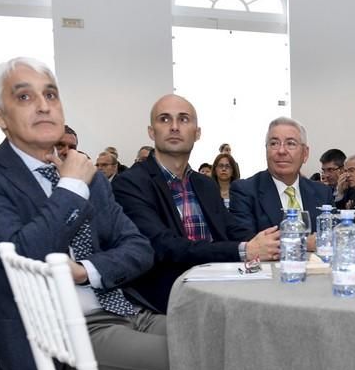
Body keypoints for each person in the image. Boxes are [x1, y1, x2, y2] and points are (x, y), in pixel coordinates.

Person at [0, 57, 173, 370]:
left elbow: (139, 248)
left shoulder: (90, 176)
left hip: (127, 310)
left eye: (51, 95)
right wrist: (70, 185)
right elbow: (23, 254)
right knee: (203, 358)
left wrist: (85, 270)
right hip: (57, 338)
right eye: (24, 97)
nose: (43, 106)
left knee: (227, 341)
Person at [112, 94, 275, 314]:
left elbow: (232, 228)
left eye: (184, 119)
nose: (175, 127)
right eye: (165, 119)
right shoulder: (130, 184)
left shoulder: (205, 184)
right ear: (152, 132)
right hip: (169, 295)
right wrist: (244, 250)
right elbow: (164, 246)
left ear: (197, 134)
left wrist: (266, 241)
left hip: (220, 284)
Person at [230, 117, 334, 236]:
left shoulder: (323, 193)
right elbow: (245, 242)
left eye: (290, 144)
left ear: (305, 154)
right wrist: (304, 243)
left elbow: (334, 238)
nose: (281, 151)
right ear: (266, 150)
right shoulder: (245, 190)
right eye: (274, 143)